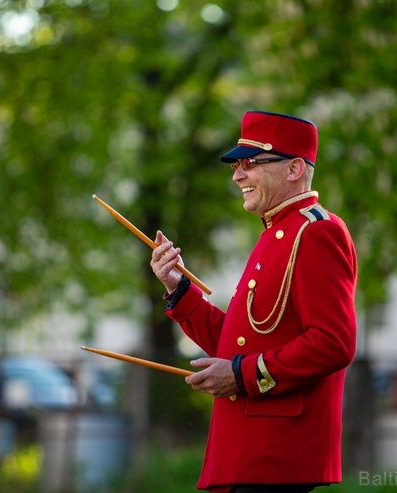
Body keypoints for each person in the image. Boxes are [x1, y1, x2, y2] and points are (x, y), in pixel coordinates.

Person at [150, 110, 358, 493]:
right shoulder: (276, 232)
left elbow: (334, 343)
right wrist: (179, 288)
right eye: (236, 166)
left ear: (295, 168)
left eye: (251, 164)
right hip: (251, 455)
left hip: (277, 455)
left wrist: (242, 376)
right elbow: (239, 344)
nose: (237, 175)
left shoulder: (316, 232)